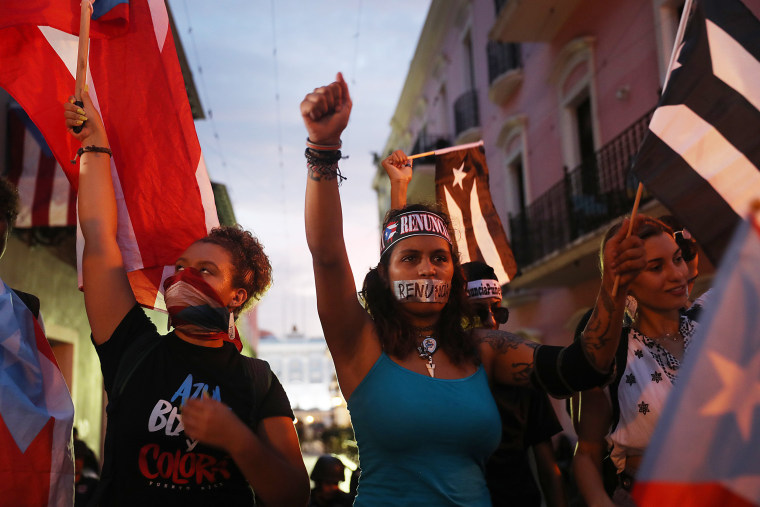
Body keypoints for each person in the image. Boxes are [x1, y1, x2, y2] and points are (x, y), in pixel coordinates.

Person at [301, 73, 647, 506]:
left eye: (440, 258)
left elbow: (580, 368)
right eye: (410, 259)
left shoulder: (484, 349)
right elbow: (328, 255)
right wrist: (323, 149)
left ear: (454, 276)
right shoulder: (360, 343)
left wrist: (612, 285)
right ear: (385, 277)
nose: (428, 269)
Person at [64, 93, 309, 506]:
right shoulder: (132, 349)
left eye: (205, 270)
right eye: (180, 266)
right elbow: (100, 240)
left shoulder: (258, 381)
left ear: (237, 296)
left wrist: (237, 438)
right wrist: (93, 146)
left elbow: (294, 497)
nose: (184, 276)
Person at [573, 216, 696, 507]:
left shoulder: (714, 334)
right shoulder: (612, 355)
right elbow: (587, 453)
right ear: (625, 283)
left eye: (677, 259)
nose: (677, 274)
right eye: (656, 267)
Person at [462, 261, 567, 507]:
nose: (490, 322)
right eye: (477, 313)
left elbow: (549, 469)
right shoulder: (435, 375)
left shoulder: (522, 374)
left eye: (497, 311)